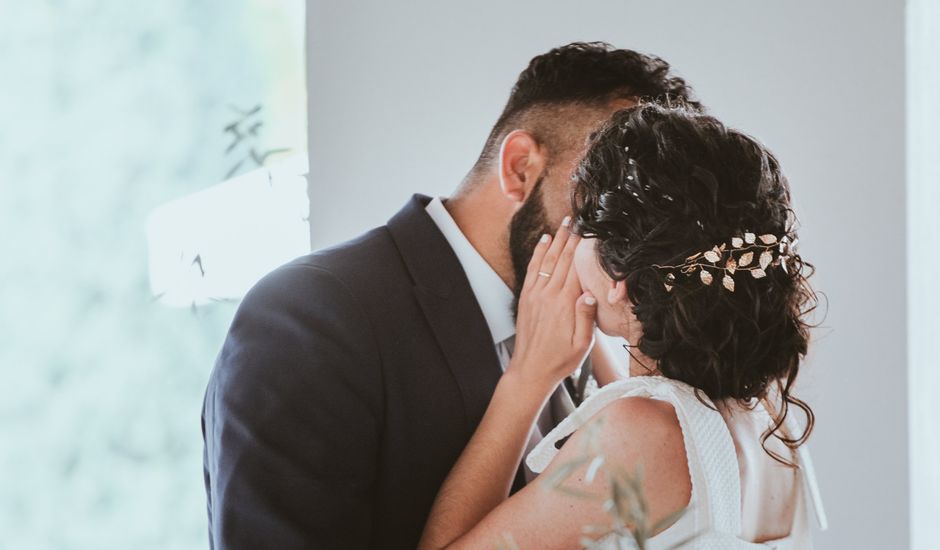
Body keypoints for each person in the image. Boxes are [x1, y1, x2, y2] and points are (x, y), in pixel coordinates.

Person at [201, 43, 701, 549]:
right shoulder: (307, 317)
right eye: (611, 192)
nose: (629, 232)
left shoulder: (583, 327)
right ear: (520, 168)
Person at [418, 103, 828, 549]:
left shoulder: (637, 433)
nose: (567, 241)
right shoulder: (768, 420)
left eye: (580, 227)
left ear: (620, 279)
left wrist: (526, 378)